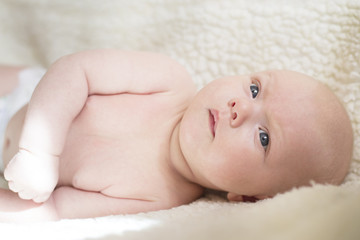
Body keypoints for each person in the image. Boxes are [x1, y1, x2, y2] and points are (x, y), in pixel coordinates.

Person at [0, 49, 353, 222]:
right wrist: (39, 151)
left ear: (250, 199)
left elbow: (55, 209)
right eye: (255, 89)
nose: (240, 108)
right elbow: (75, 70)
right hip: (27, 93)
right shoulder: (168, 83)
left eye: (264, 138)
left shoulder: (163, 199)